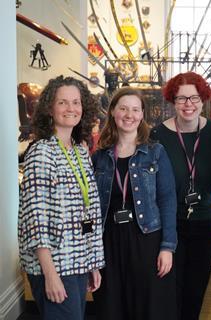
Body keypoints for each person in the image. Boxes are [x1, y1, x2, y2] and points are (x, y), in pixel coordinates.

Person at [18, 75, 104, 320]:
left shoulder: (79, 150)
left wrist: (92, 262)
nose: (71, 109)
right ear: (50, 108)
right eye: (63, 102)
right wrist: (50, 274)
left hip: (77, 261)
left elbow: (89, 213)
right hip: (54, 265)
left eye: (76, 102)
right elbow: (36, 219)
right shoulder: (41, 152)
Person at [92, 87, 177, 320]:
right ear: (112, 112)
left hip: (147, 239)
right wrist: (90, 253)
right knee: (112, 307)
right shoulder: (99, 157)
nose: (129, 115)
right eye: (123, 108)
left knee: (148, 308)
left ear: (142, 115)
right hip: (109, 241)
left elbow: (168, 200)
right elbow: (88, 208)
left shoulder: (155, 152)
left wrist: (167, 247)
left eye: (135, 109)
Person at [150, 72, 211, 320]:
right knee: (170, 292)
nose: (188, 104)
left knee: (195, 293)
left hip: (206, 224)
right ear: (172, 100)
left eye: (194, 97)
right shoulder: (157, 136)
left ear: (203, 100)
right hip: (170, 227)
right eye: (181, 98)